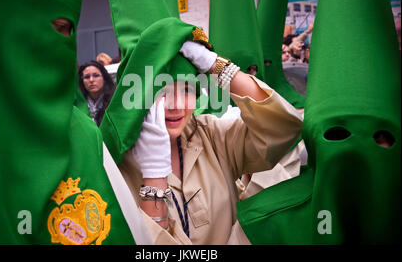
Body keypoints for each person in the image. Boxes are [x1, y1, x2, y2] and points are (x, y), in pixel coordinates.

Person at [118, 40, 303, 244]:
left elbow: (283, 128)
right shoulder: (116, 163)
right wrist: (154, 175)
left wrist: (218, 66)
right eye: (161, 91)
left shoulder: (211, 133)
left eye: (186, 89)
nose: (176, 105)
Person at [78, 60, 115, 126]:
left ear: (104, 78)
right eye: (87, 77)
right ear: (82, 81)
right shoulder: (78, 102)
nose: (91, 80)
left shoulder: (114, 99)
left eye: (96, 75)